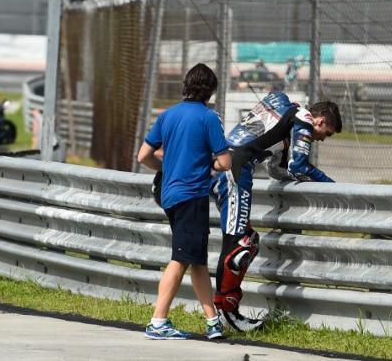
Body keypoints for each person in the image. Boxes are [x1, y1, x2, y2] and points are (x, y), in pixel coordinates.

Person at [211, 91, 342, 332]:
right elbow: (298, 165)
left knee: (244, 240)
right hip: (235, 171)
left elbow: (277, 169)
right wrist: (332, 186)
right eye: (326, 133)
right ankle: (225, 313)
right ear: (320, 121)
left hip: (223, 165)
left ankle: (222, 312)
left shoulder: (284, 107)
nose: (322, 139)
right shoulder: (303, 119)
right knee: (239, 244)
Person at [137, 63, 232, 340]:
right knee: (180, 259)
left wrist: (166, 168)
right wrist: (209, 161)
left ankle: (213, 322)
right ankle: (158, 321)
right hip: (193, 196)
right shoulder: (208, 118)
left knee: (196, 260)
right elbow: (225, 162)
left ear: (185, 86)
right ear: (211, 91)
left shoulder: (167, 115)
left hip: (169, 195)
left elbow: (143, 156)